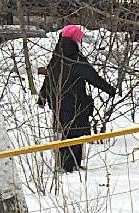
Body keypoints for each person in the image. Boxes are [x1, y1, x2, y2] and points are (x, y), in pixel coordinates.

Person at [37, 24, 118, 173]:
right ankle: (71, 166)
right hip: (75, 103)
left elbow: (48, 79)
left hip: (57, 103)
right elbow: (93, 77)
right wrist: (111, 90)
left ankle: (66, 165)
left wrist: (43, 97)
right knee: (76, 134)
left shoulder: (56, 57)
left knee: (66, 133)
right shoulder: (76, 59)